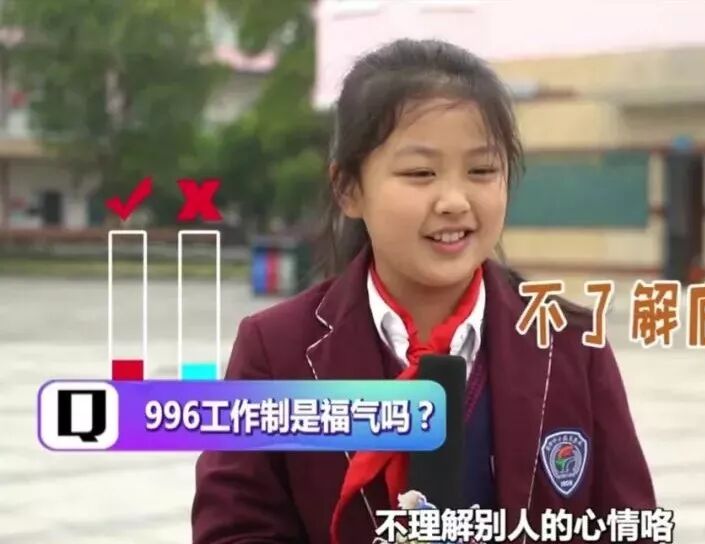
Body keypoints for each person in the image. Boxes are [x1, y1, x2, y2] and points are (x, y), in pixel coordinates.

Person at [192, 38, 656, 544]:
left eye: (482, 170)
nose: (454, 201)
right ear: (348, 189)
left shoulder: (571, 343)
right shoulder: (276, 350)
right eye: (420, 173)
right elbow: (234, 529)